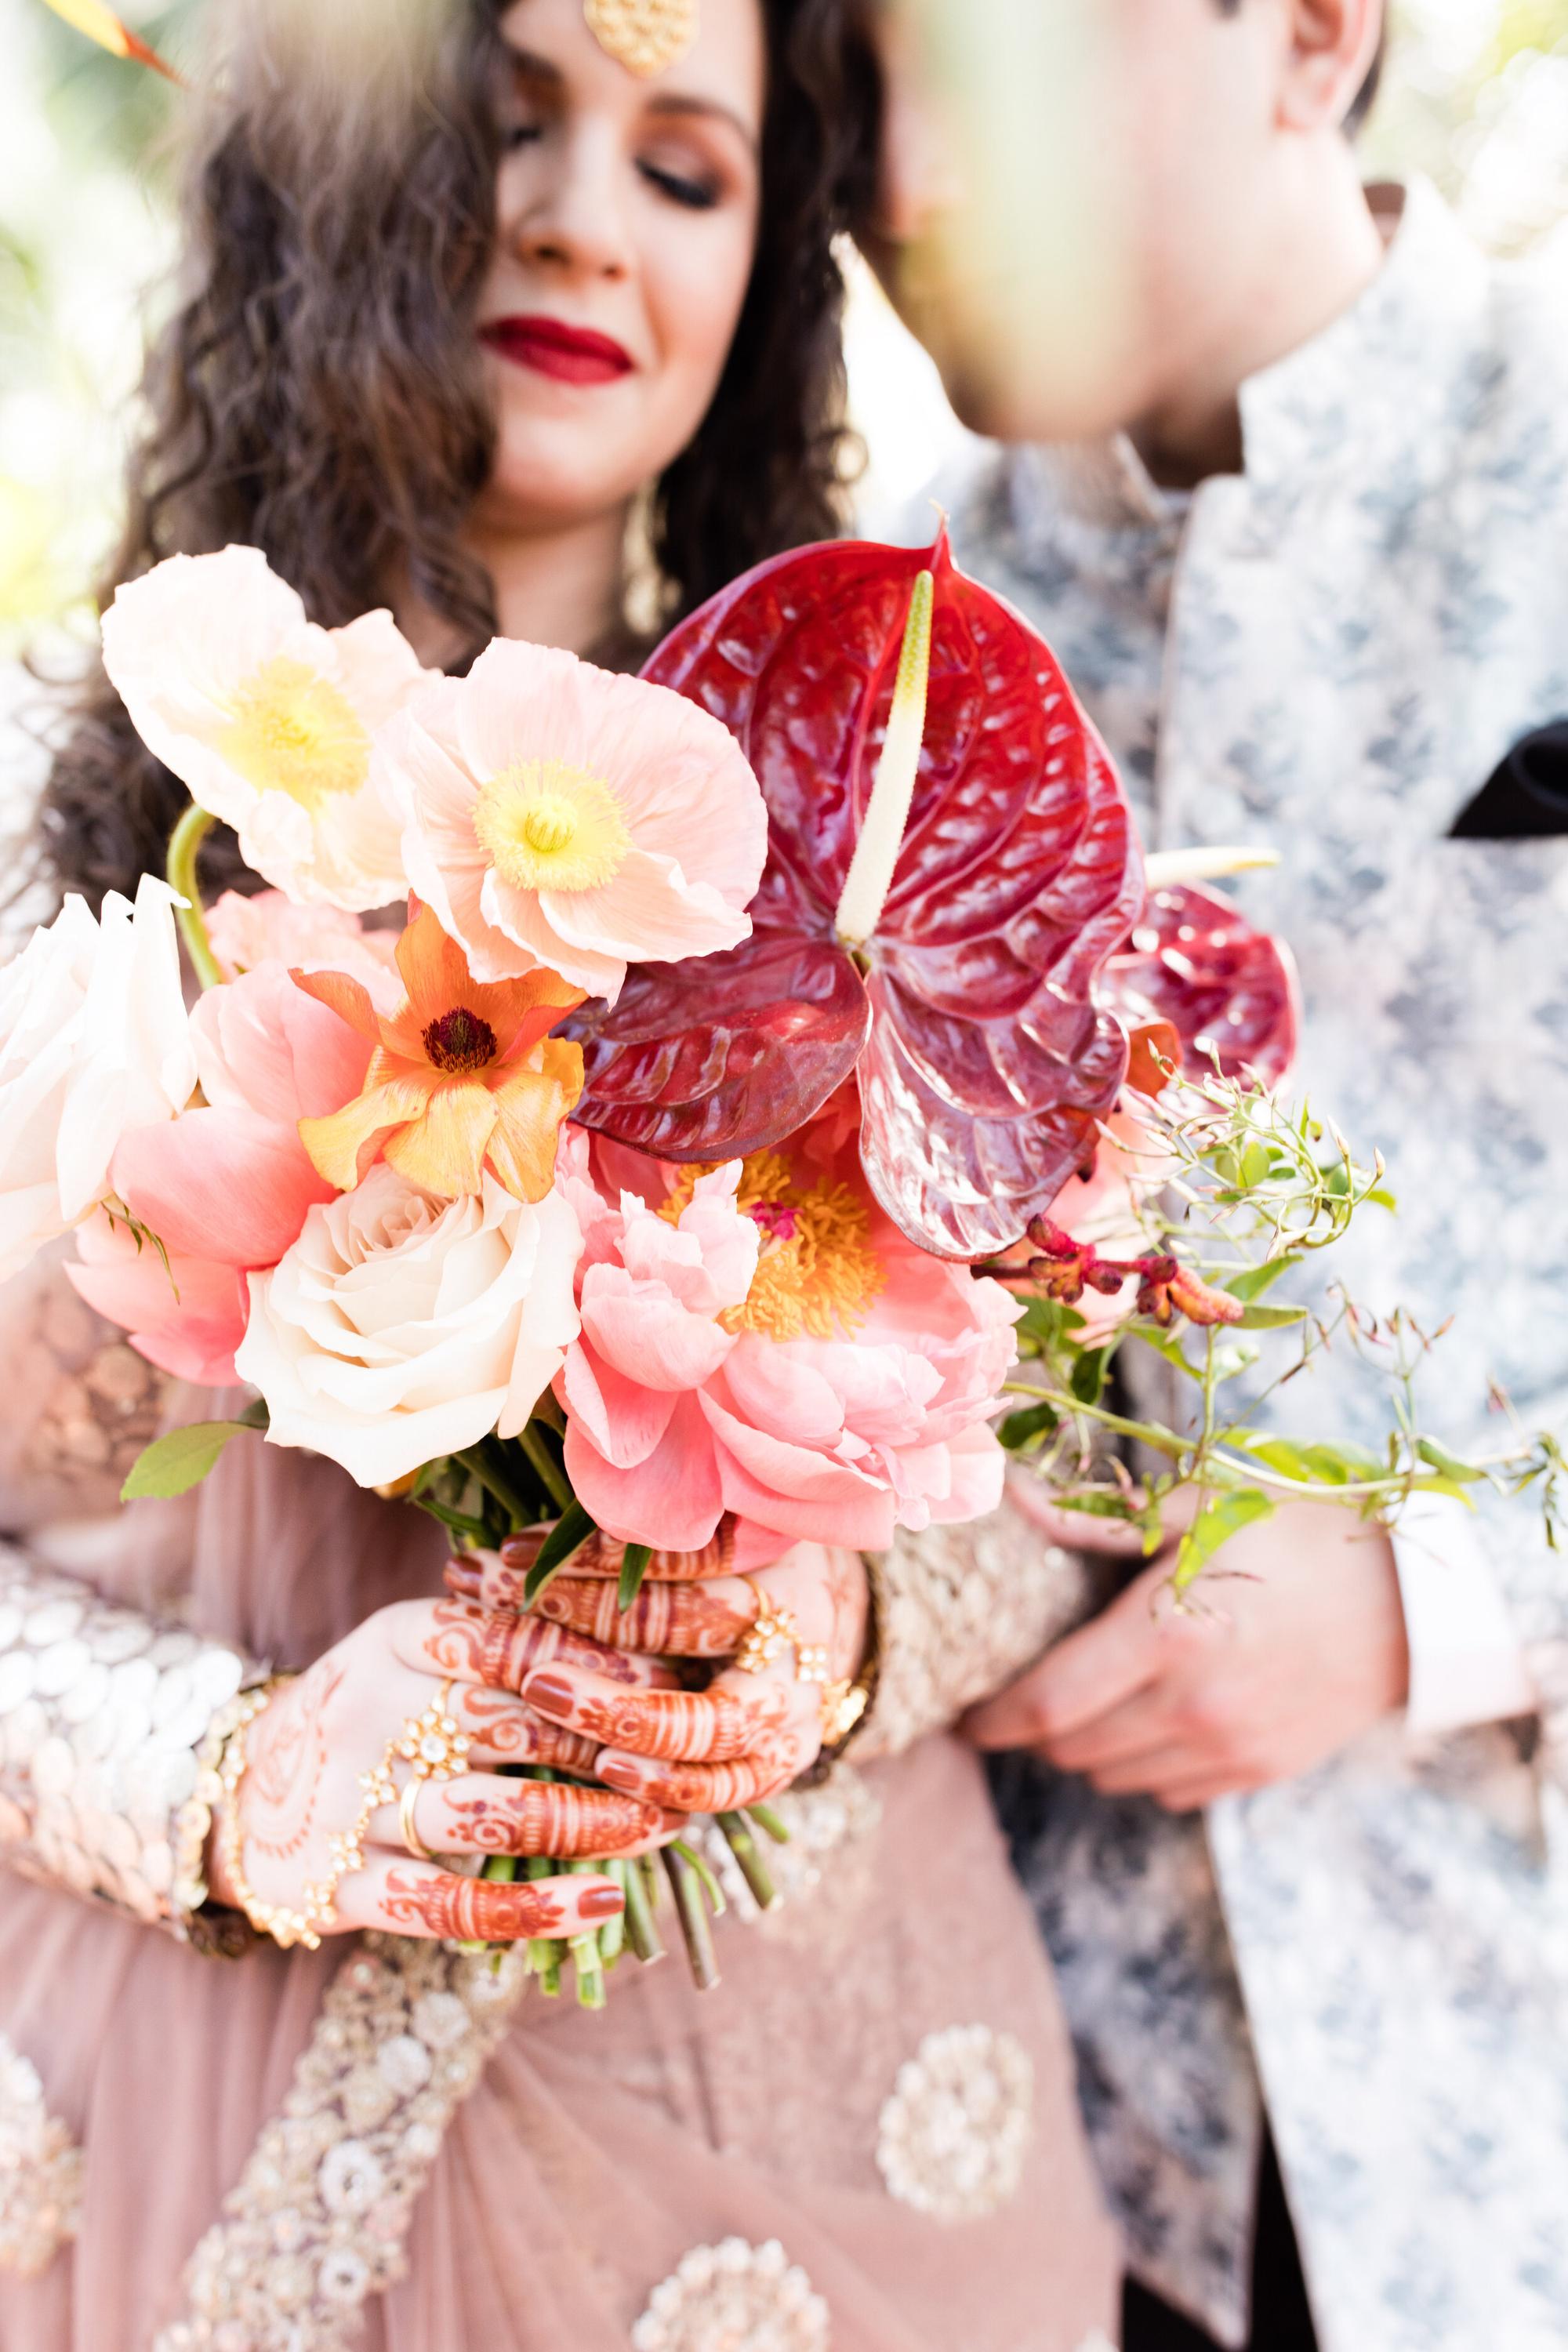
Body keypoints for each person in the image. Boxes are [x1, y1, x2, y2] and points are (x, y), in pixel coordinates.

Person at [0, 2, 1121, 2347]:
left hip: (801, 2129)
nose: (589, 225)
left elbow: (1076, 1442)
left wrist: (836, 1637)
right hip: (168, 2112)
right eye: (508, 126)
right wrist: (231, 1780)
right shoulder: (48, 815)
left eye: (686, 169)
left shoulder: (867, 858)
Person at [862, 2, 1568, 2349]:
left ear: (1313, 30)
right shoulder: (877, 642)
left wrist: (1425, 1599)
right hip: (1028, 2150)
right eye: (863, 82)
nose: (906, 183)